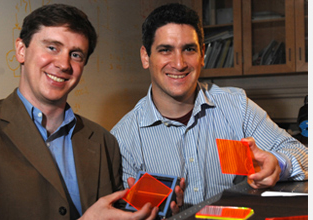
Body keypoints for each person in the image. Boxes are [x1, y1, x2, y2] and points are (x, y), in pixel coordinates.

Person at [0, 4, 159, 220]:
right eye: (52, 48)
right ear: (21, 50)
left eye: (76, 55)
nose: (63, 64)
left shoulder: (105, 142)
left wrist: (144, 211)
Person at [110, 3, 308, 209]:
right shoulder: (123, 139)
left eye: (189, 49)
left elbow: (303, 155)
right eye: (165, 50)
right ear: (145, 57)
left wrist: (278, 164)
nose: (179, 63)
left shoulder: (238, 107)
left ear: (202, 54)